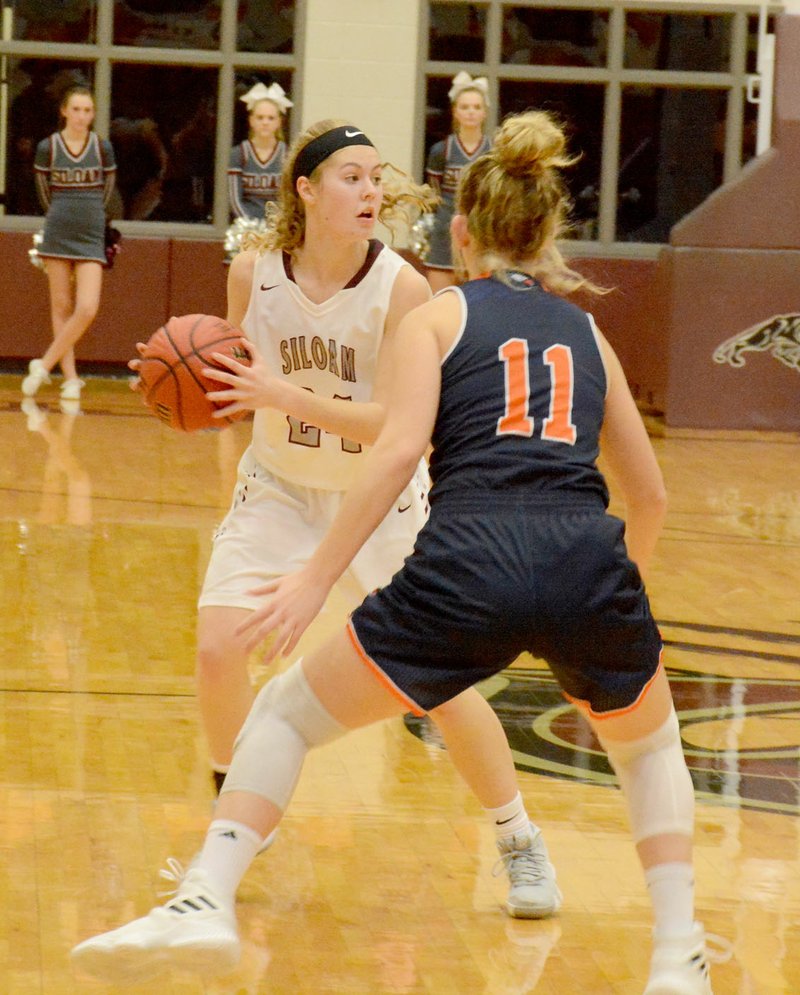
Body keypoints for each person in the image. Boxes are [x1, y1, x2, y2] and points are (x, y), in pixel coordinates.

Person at [70, 111, 716, 993]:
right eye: (354, 176)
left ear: (461, 231)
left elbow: (396, 447)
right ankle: (679, 951)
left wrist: (315, 576)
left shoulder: (423, 300)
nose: (372, 190)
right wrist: (617, 592)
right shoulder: (587, 332)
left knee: (312, 710)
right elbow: (652, 494)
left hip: (420, 523)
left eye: (380, 178)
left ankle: (223, 890)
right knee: (648, 750)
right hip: (523, 543)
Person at [21, 85, 116, 402]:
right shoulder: (48, 147)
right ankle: (72, 378)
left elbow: (107, 191)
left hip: (91, 233)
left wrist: (92, 217)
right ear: (64, 111)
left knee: (87, 307)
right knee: (60, 307)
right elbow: (43, 193)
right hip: (58, 231)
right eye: (76, 109)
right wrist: (60, 216)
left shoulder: (102, 148)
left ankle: (44, 365)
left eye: (87, 111)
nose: (81, 116)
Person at [424, 71, 491, 292]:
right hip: (444, 236)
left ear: (484, 113)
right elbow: (433, 198)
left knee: (479, 306)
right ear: (455, 111)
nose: (471, 112)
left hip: (483, 236)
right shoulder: (441, 151)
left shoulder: (494, 153)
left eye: (476, 107)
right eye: (465, 107)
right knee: (438, 302)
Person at [227, 81, 292, 223]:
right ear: (251, 120)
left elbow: (290, 197)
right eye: (260, 117)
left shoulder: (287, 155)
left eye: (271, 118)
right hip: (247, 228)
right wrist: (250, 226)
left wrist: (279, 225)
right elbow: (234, 200)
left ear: (279, 122)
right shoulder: (239, 154)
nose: (265, 122)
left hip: (278, 228)